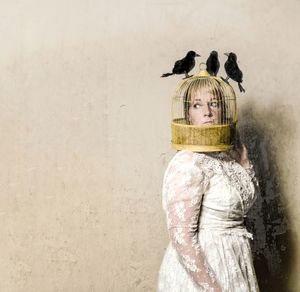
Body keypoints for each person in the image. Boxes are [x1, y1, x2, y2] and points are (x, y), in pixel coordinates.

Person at [157, 81, 260, 291]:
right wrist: (213, 288)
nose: (207, 112)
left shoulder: (229, 156)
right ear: (188, 115)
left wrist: (245, 161)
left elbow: (247, 200)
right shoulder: (188, 162)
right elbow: (182, 237)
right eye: (197, 105)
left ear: (223, 110)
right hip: (205, 270)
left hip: (234, 260)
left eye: (214, 103)